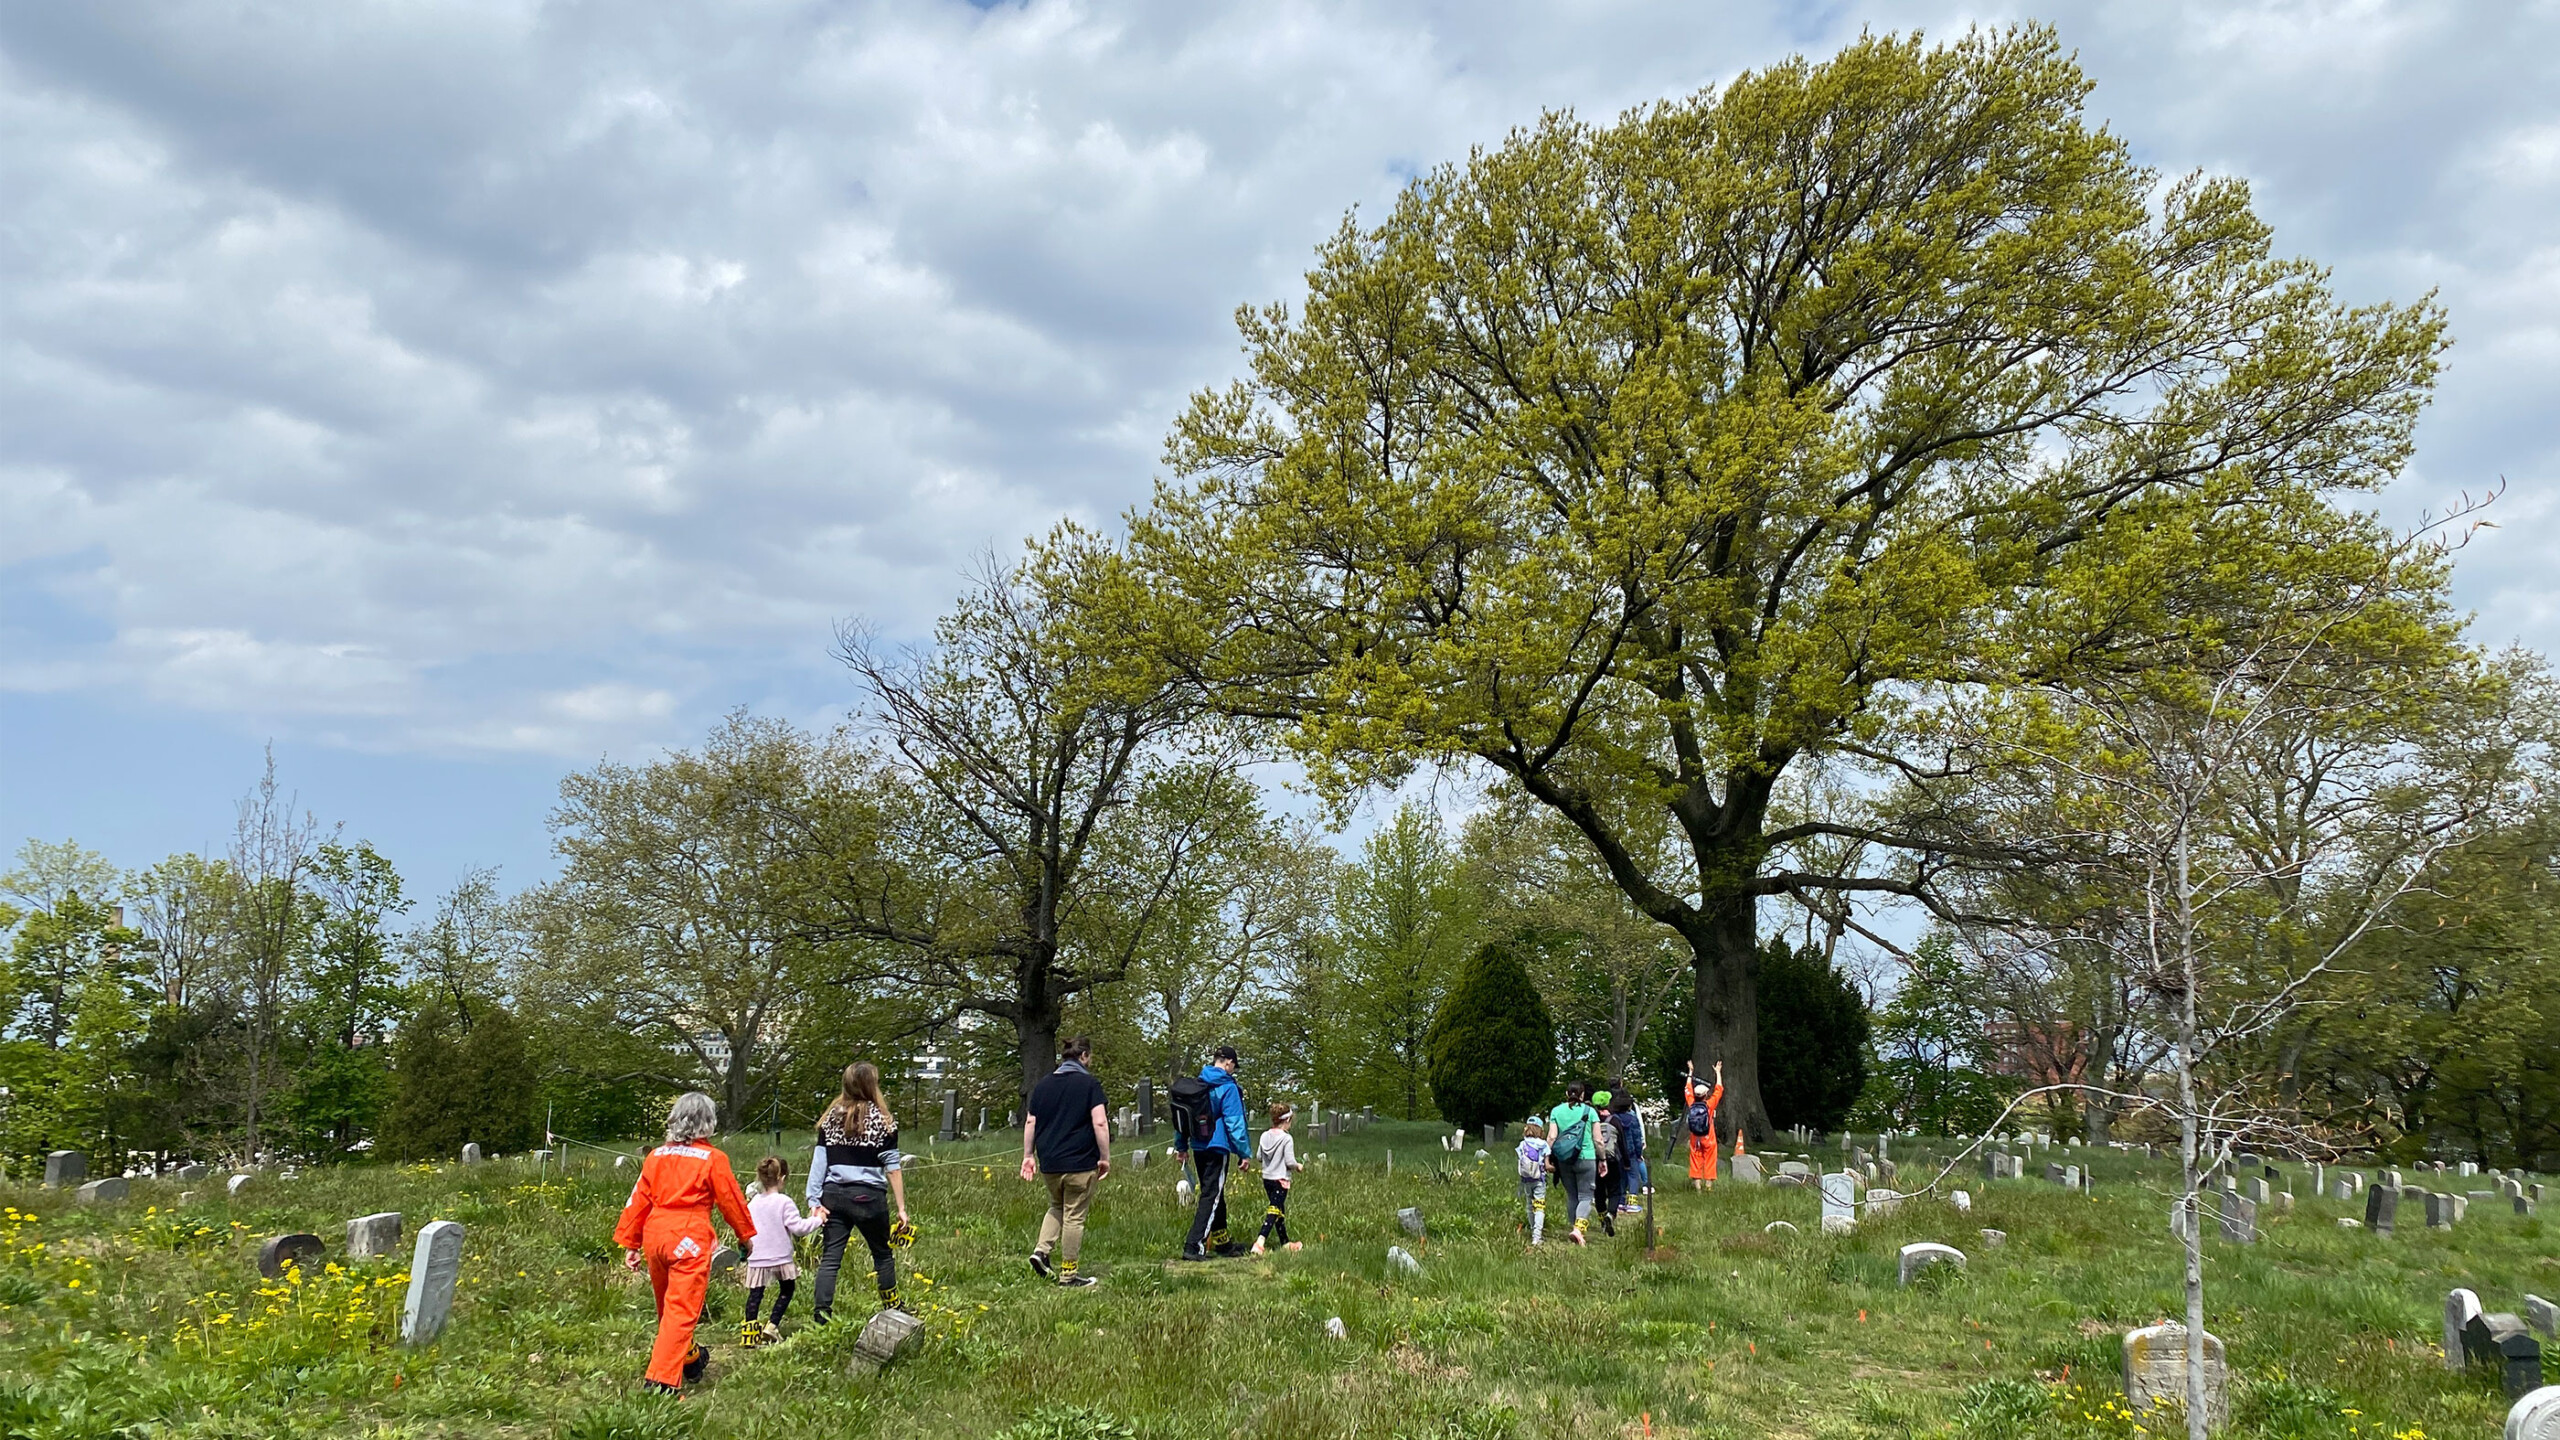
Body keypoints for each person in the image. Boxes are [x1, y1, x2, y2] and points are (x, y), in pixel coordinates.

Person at [614, 1091, 757, 1395]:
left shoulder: (656, 1156)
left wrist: (631, 1243)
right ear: (709, 1122)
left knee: (668, 1310)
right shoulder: (713, 1159)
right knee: (680, 1311)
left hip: (655, 1236)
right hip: (689, 1238)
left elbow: (638, 1200)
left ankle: (691, 1360)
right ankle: (662, 1382)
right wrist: (746, 1236)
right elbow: (731, 1201)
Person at [806, 1062, 911, 1320]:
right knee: (882, 1255)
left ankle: (821, 1314)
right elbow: (893, 1168)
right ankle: (893, 1308)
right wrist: (901, 1208)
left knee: (831, 1257)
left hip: (834, 1195)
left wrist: (813, 1199)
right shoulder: (884, 1120)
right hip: (869, 1197)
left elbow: (819, 1162)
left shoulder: (830, 1118)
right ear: (870, 1085)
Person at [1020, 1034, 1110, 1288]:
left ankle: (1041, 1251)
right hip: (1080, 1161)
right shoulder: (1089, 1085)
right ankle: (1068, 1274)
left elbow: (1031, 1122)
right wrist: (1105, 1157)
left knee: (1056, 1205)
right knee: (1075, 1216)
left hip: (1050, 1161)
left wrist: (1028, 1155)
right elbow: (1100, 1122)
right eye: (1089, 1057)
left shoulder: (1043, 1085)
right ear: (1084, 1057)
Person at [1174, 1043, 1251, 1261]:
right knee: (1211, 1195)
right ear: (1229, 1063)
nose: (1233, 1070)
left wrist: (1181, 1146)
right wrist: (1243, 1153)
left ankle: (1222, 1241)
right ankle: (1194, 1245)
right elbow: (1234, 1123)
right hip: (1217, 1147)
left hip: (1198, 1146)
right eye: (1233, 1066)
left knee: (1215, 1192)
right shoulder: (1228, 1087)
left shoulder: (1198, 1083)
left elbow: (1182, 1118)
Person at [739, 1155, 824, 1345]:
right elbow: (799, 1228)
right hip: (780, 1257)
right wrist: (818, 1219)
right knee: (787, 1289)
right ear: (782, 1178)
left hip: (758, 1256)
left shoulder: (752, 1204)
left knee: (755, 1294)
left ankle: (749, 1335)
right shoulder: (784, 1202)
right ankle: (772, 1326)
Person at [1545, 1081, 1603, 1246]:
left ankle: (1574, 1228)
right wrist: (1603, 1159)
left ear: (1566, 1094)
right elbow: (1598, 1140)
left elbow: (1551, 1137)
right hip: (1586, 1157)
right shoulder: (1590, 1111)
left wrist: (1546, 1158)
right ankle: (1578, 1230)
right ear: (1583, 1095)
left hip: (1565, 1159)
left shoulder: (1556, 1111)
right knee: (1586, 1196)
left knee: (1572, 1195)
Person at [1252, 1102, 1304, 1255]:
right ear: (1287, 1120)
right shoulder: (1286, 1139)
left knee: (1279, 1210)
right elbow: (1289, 1161)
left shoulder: (1264, 1136)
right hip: (1281, 1179)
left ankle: (1285, 1242)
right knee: (1274, 1210)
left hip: (1267, 1178)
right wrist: (1298, 1166)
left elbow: (1259, 1157)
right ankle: (1260, 1241)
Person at [1684, 1060, 1724, 1190]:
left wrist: (1691, 1071)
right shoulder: (1709, 1105)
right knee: (1710, 1159)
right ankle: (1708, 1186)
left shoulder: (1691, 1103)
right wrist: (1718, 1072)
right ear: (1706, 1095)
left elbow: (1687, 1088)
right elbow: (1719, 1089)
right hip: (1709, 1137)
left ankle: (1698, 1188)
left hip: (1695, 1138)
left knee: (1695, 1160)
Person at [1516, 1117, 1551, 1245]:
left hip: (1526, 1179)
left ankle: (1532, 1230)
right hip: (1539, 1179)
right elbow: (1547, 1165)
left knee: (1529, 1205)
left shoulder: (1522, 1144)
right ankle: (1537, 1237)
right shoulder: (1543, 1145)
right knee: (1539, 1207)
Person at [1590, 1087, 1621, 1235]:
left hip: (1596, 1159)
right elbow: (1622, 1143)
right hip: (1612, 1159)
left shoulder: (1592, 1120)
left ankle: (1602, 1220)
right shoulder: (1615, 1121)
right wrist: (1626, 1162)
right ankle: (1611, 1214)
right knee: (1615, 1190)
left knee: (1599, 1192)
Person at [1611, 1093, 1648, 1213]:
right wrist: (1639, 1153)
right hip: (1631, 1152)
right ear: (1629, 1106)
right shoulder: (1633, 1119)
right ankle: (1632, 1202)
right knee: (1633, 1176)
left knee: (1620, 1177)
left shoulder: (1613, 1118)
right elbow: (1637, 1138)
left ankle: (1620, 1202)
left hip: (1618, 1152)